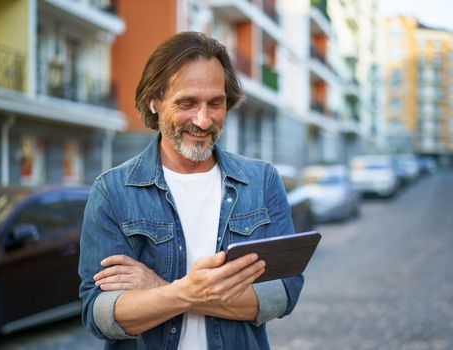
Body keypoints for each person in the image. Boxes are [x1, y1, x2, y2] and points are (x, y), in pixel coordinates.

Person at [78, 31, 304, 350]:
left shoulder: (262, 181)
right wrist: (190, 291)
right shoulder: (113, 191)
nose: (203, 119)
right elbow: (101, 314)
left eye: (216, 103)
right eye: (187, 103)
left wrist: (163, 289)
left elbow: (282, 294)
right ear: (154, 102)